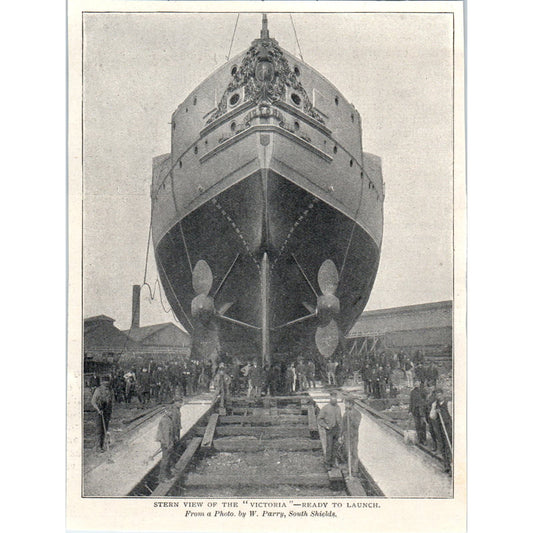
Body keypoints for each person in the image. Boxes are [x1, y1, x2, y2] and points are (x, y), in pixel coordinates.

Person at [156, 394, 183, 483]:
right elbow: (166, 434)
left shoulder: (168, 418)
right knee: (165, 460)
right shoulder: (166, 420)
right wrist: (168, 444)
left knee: (167, 459)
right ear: (166, 412)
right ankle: (162, 478)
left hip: (168, 442)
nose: (171, 413)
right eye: (169, 412)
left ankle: (166, 475)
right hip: (166, 443)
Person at [317, 391, 343, 470]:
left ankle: (333, 462)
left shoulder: (338, 408)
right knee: (329, 447)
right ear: (330, 398)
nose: (334, 399)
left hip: (337, 430)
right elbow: (319, 419)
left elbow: (340, 419)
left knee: (335, 447)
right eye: (332, 397)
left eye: (335, 397)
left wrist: (341, 430)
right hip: (330, 430)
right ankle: (327, 463)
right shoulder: (326, 408)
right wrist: (326, 426)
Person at [430, 388, 453, 474]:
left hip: (448, 427)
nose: (439, 396)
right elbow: (432, 417)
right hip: (439, 427)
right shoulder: (435, 405)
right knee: (442, 446)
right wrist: (435, 411)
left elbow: (452, 415)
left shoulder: (448, 404)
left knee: (448, 445)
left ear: (443, 395)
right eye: (437, 395)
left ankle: (452, 466)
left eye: (440, 394)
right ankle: (446, 465)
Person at [339, 396, 362, 474]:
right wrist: (340, 435)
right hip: (346, 435)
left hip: (353, 435)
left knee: (354, 452)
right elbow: (343, 425)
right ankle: (349, 468)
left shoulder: (357, 413)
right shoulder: (346, 413)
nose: (345, 405)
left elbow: (356, 425)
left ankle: (354, 470)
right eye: (345, 403)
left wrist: (351, 417)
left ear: (351, 404)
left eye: (347, 403)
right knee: (347, 451)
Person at [91, 375, 114, 453]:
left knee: (105, 429)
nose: (106, 384)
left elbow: (111, 401)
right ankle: (98, 447)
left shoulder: (110, 390)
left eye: (108, 383)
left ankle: (102, 445)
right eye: (105, 383)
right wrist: (98, 410)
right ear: (102, 383)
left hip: (107, 412)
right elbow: (93, 402)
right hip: (99, 412)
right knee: (99, 430)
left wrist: (110, 412)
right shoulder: (98, 390)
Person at [409, 379, 427, 445]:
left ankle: (424, 439)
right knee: (417, 425)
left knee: (423, 425)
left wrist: (423, 407)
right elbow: (411, 402)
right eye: (415, 383)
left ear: (419, 383)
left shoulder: (423, 391)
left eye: (417, 382)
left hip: (422, 410)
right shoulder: (412, 392)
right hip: (415, 410)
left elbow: (426, 400)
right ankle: (420, 439)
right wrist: (410, 411)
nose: (416, 384)